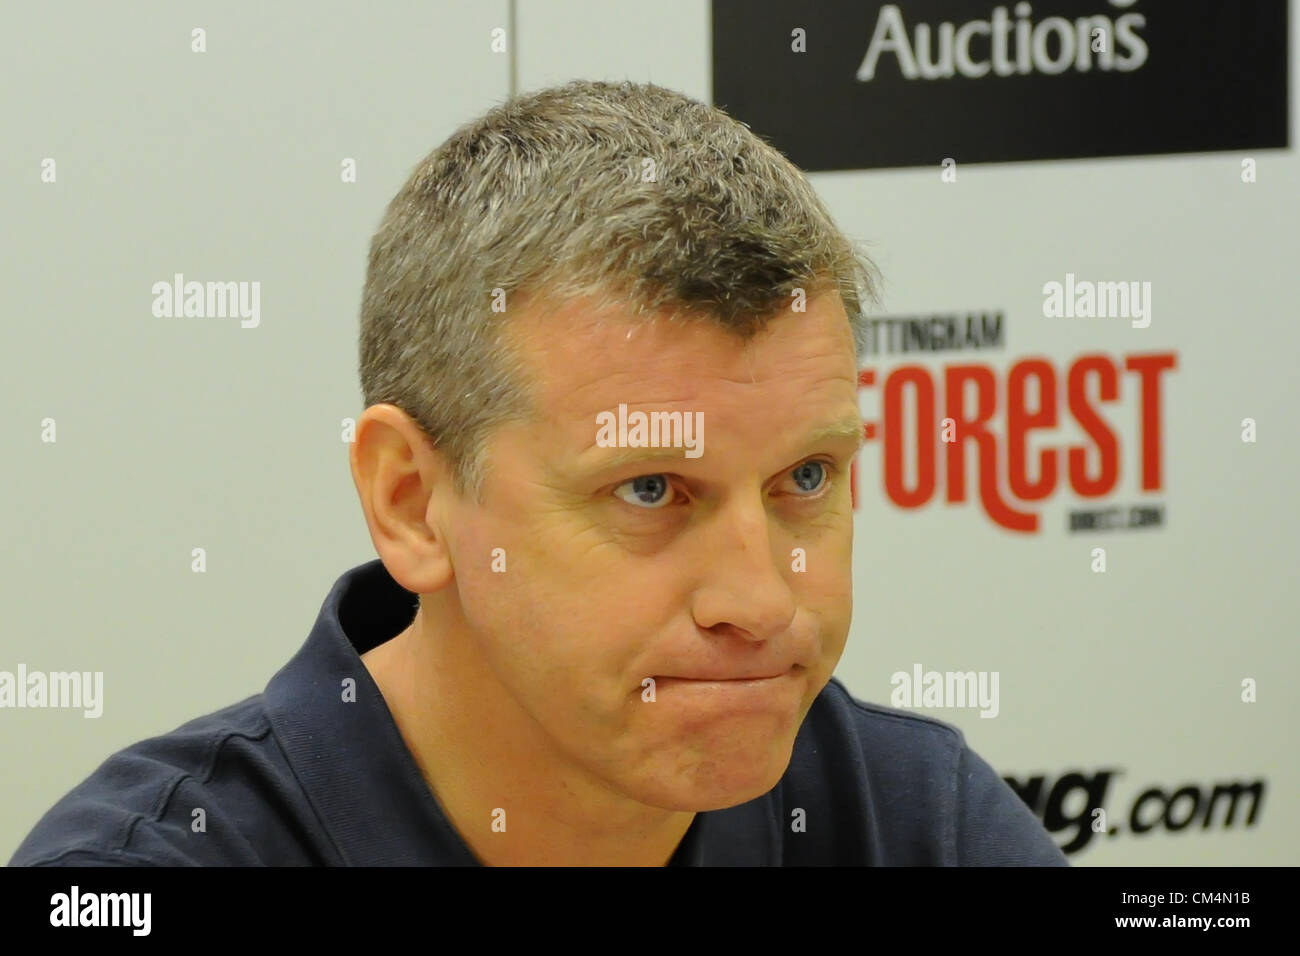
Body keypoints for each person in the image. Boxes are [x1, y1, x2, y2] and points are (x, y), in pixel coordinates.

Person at [10, 79, 1065, 866]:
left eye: (807, 478)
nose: (761, 600)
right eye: (650, 490)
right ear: (410, 501)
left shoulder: (916, 822)